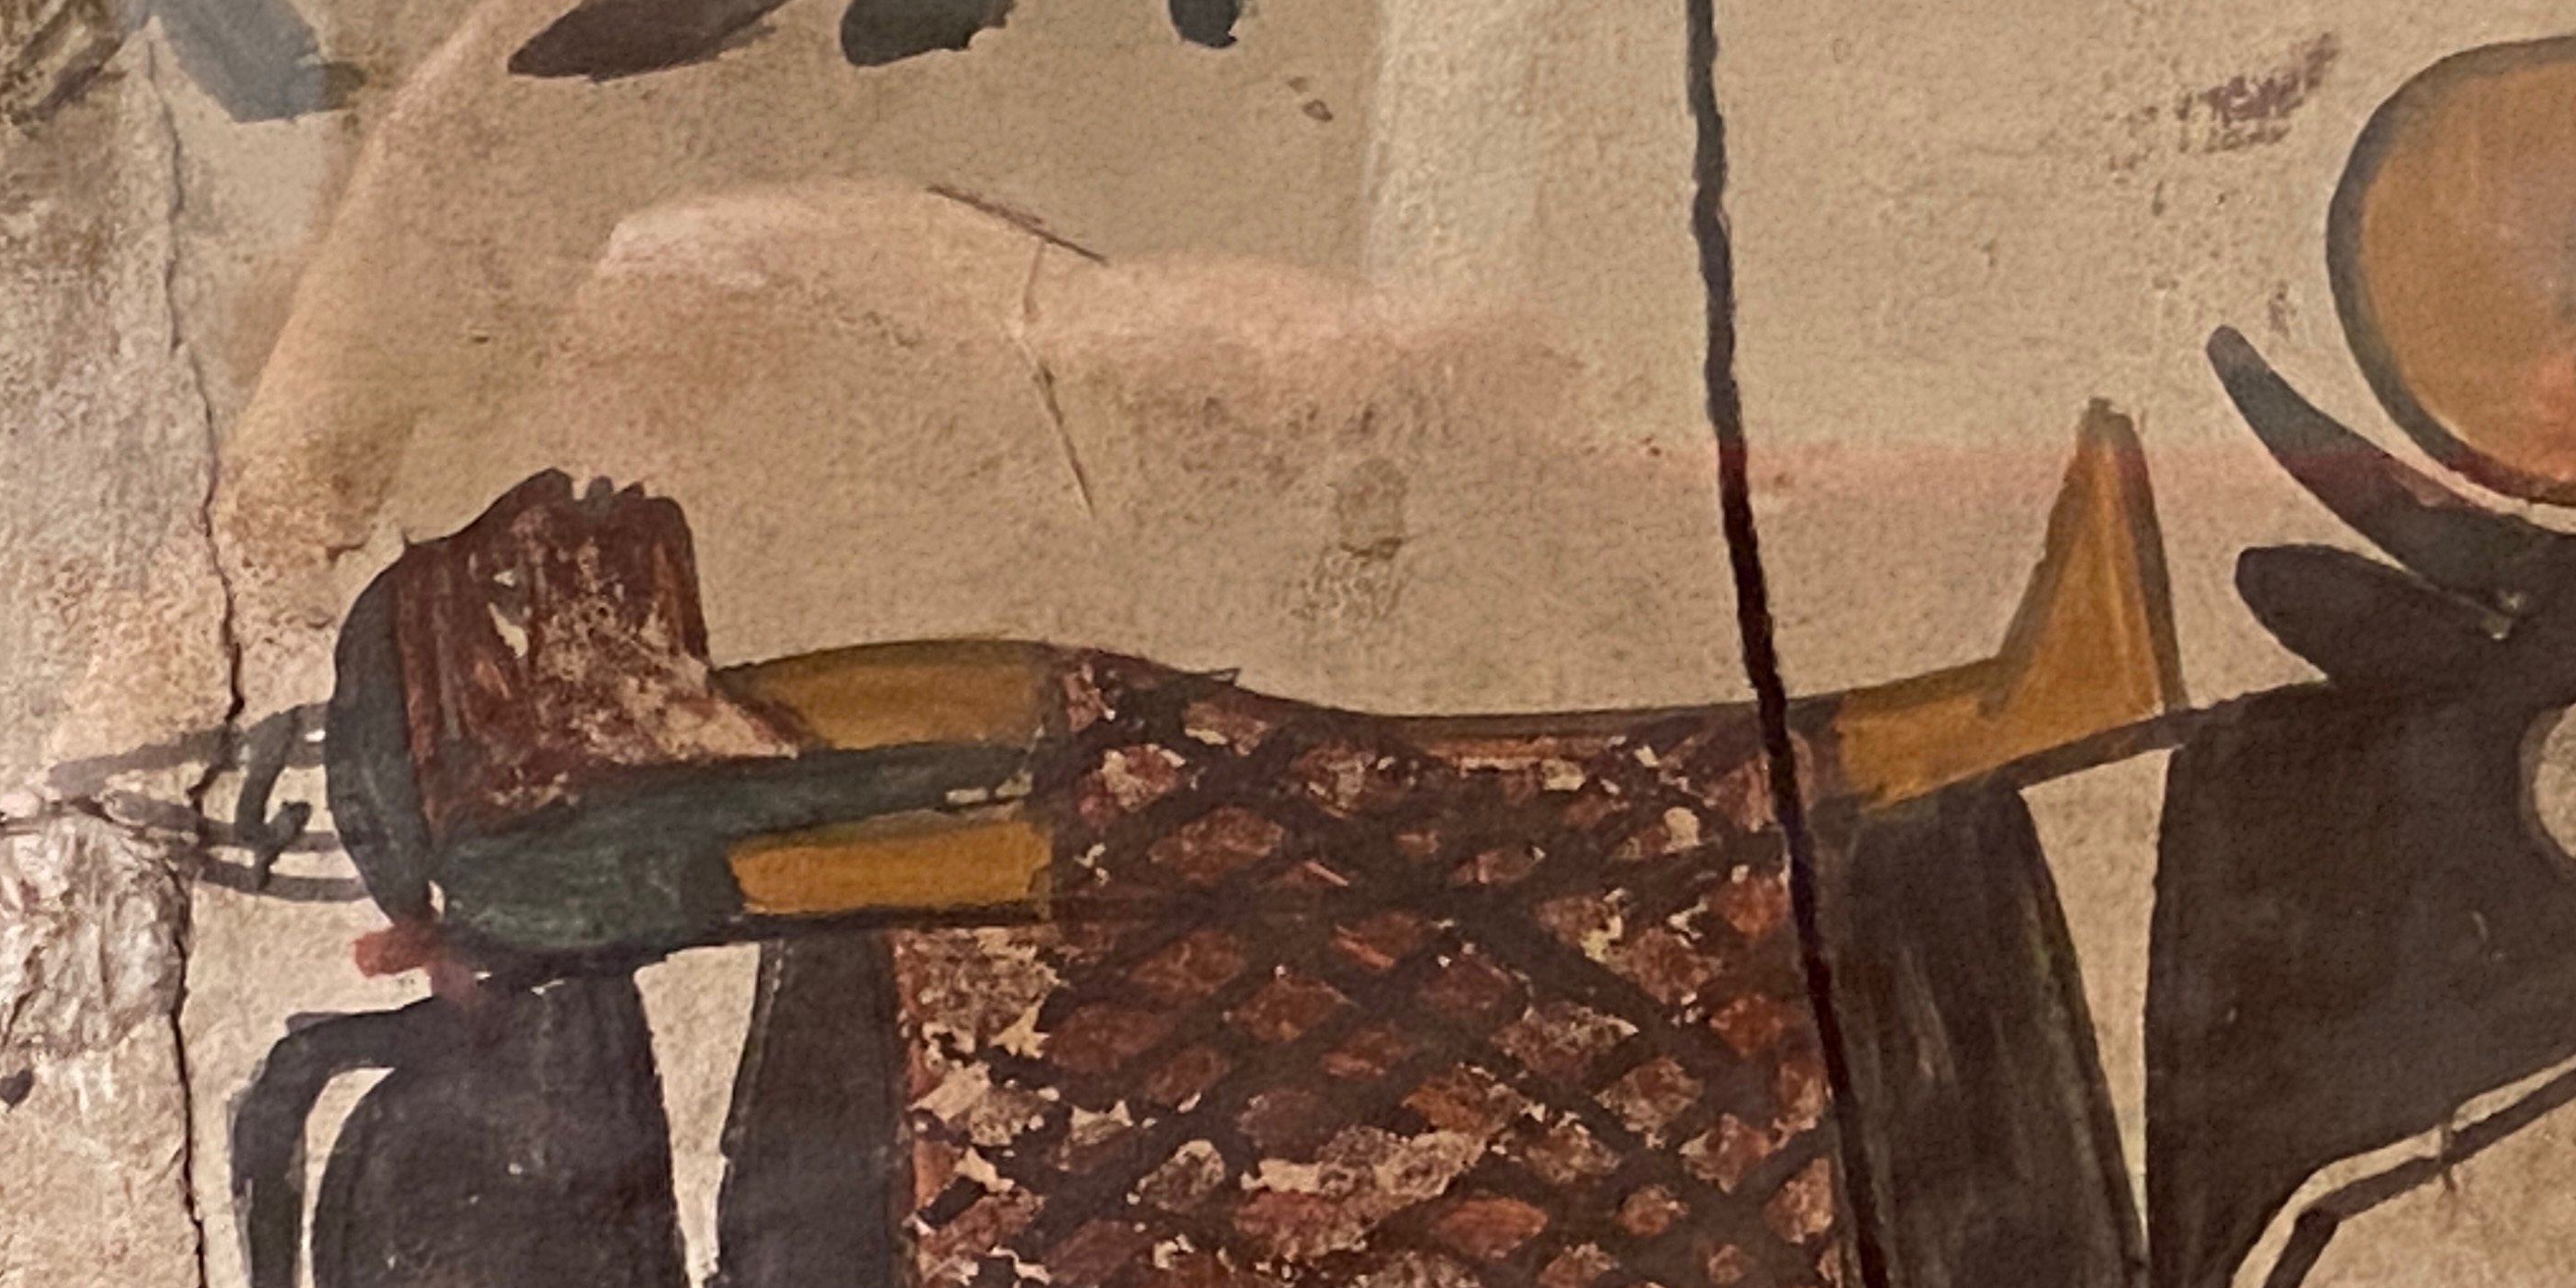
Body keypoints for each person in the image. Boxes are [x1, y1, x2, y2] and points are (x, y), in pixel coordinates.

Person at [325, 402, 2187, 968]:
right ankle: (1993, 723)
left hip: (1122, 762)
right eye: (525, 606)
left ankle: (1982, 714)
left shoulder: (738, 727)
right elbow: (989, 833)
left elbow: (1028, 706)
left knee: (1457, 776)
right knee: (1487, 801)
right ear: (537, 748)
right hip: (1124, 814)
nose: (574, 540)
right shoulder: (712, 812)